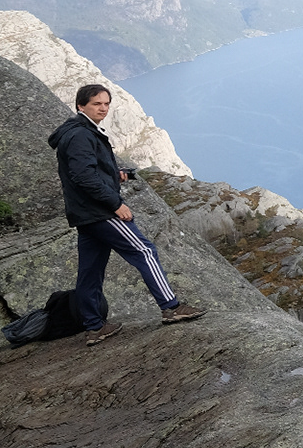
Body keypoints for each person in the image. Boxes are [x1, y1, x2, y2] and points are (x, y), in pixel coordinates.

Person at [49, 83, 203, 344]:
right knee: (144, 251)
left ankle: (95, 326)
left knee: (90, 271)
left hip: (86, 214)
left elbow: (88, 171)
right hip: (100, 212)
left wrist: (115, 175)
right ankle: (171, 307)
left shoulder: (79, 131)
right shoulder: (80, 135)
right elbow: (83, 176)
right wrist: (115, 204)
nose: (104, 108)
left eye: (107, 104)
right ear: (81, 106)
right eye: (97, 104)